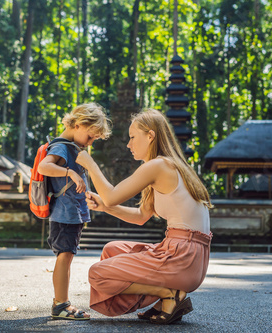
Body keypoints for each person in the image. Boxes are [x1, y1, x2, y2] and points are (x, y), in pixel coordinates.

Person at [75, 108, 213, 325]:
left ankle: (169, 294)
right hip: (190, 256)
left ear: (150, 136)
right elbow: (141, 216)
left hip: (183, 257)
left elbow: (111, 196)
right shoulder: (170, 165)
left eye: (132, 137)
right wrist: (104, 207)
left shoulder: (158, 165)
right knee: (111, 249)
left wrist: (90, 164)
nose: (129, 144)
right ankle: (167, 295)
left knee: (97, 274)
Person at [37, 102, 111, 320]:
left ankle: (62, 302)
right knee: (65, 255)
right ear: (78, 125)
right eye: (90, 137)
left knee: (66, 255)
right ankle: (60, 304)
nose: (90, 143)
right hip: (65, 213)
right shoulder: (61, 147)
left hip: (70, 211)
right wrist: (71, 172)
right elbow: (44, 167)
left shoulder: (71, 147)